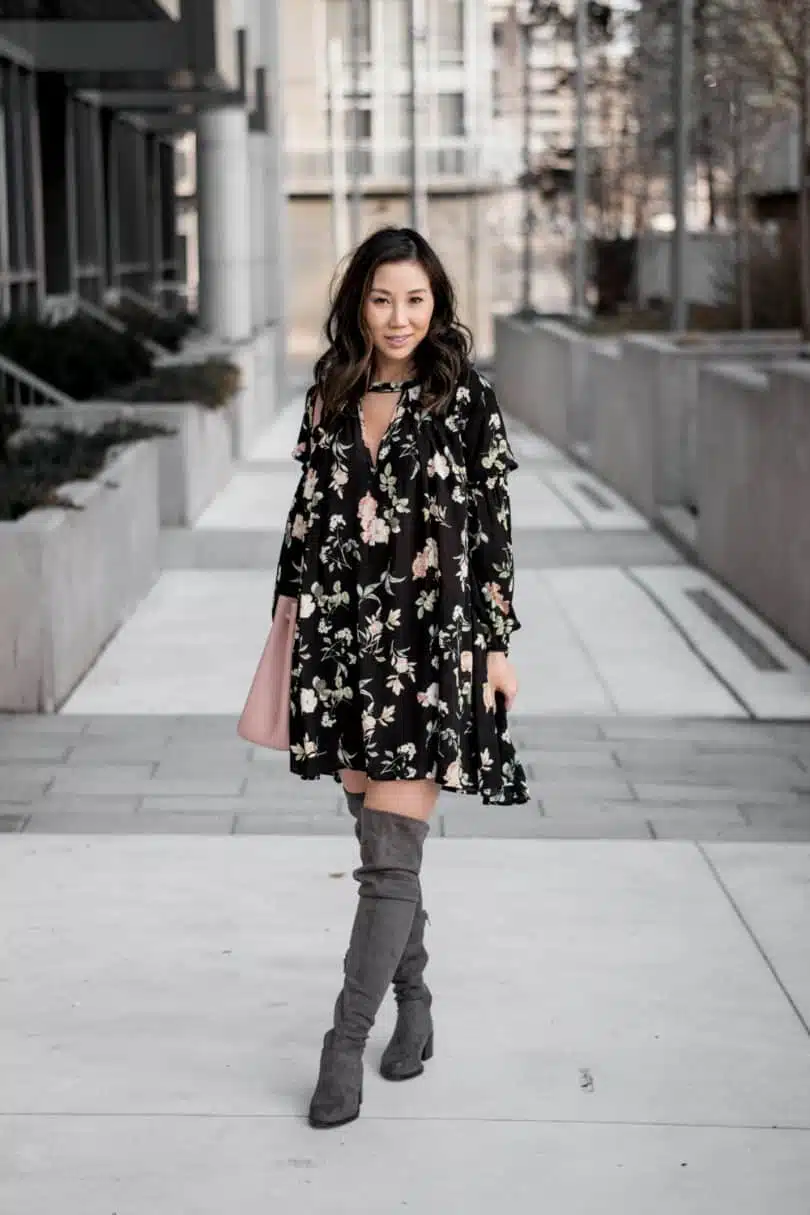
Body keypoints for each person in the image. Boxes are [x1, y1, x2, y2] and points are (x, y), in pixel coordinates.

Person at [272, 226, 529, 1129]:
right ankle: (416, 1003)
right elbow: (305, 527)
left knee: (388, 857)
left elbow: (493, 530)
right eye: (382, 298)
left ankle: (344, 1045)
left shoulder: (467, 401)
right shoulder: (331, 396)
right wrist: (290, 636)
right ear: (357, 303)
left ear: (438, 305)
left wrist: (496, 645)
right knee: (382, 849)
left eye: (415, 300)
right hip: (345, 649)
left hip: (429, 653)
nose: (398, 317)